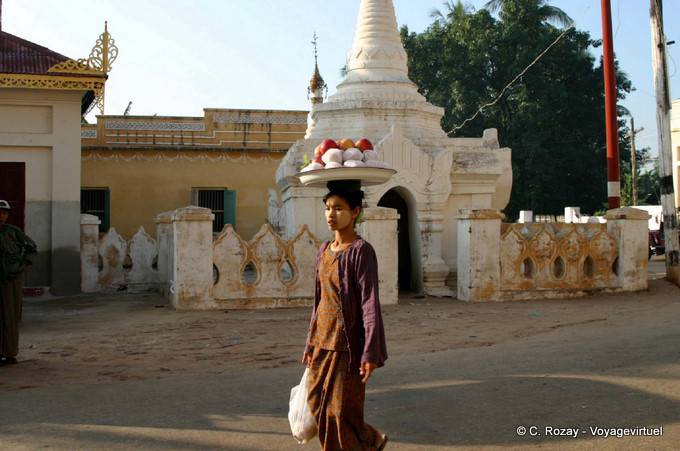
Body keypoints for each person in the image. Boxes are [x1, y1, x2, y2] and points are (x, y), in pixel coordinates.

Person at [302, 180, 389, 450]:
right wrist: (309, 343)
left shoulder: (362, 252)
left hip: (348, 346)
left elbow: (369, 303)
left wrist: (370, 353)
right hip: (321, 342)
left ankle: (365, 441)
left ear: (355, 212)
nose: (331, 214)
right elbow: (319, 301)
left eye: (338, 208)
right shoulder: (323, 251)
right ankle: (370, 440)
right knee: (316, 405)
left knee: (339, 412)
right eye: (328, 208)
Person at [0, 200, 37, 366]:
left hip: (11, 281)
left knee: (11, 315)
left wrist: (20, 266)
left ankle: (9, 352)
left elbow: (31, 248)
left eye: (4, 213)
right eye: (0, 212)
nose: (2, 216)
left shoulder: (13, 232)